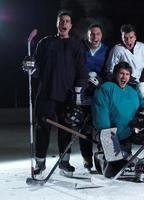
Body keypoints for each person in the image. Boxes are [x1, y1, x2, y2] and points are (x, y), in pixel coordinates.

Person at [31, 11, 88, 177]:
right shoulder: (45, 42)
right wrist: (32, 69)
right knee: (42, 128)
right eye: (61, 21)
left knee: (67, 129)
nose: (64, 23)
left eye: (67, 21)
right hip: (46, 94)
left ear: (70, 25)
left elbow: (81, 70)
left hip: (67, 95)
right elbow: (37, 67)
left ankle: (64, 163)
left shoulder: (76, 45)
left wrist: (78, 91)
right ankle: (40, 164)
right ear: (57, 24)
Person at [91, 61, 144, 179]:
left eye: (127, 74)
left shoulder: (133, 90)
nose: (124, 77)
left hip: (129, 135)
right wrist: (109, 141)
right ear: (115, 74)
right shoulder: (106, 89)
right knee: (114, 172)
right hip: (109, 135)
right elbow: (101, 118)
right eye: (121, 73)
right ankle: (102, 157)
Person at [79, 23, 109, 172]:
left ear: (101, 36)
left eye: (97, 34)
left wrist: (100, 81)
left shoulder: (106, 50)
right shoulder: (81, 48)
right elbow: (76, 68)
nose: (94, 37)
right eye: (92, 34)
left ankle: (109, 155)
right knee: (85, 127)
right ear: (87, 35)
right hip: (84, 92)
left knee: (104, 124)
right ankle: (87, 158)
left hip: (100, 93)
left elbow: (109, 70)